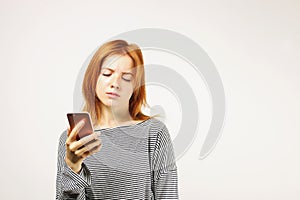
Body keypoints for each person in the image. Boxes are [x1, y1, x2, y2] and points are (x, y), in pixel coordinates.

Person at [56, 40, 178, 199]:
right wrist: (73, 167)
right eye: (107, 74)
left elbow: (167, 195)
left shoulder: (154, 133)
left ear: (135, 86)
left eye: (126, 77)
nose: (115, 83)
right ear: (93, 78)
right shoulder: (72, 140)